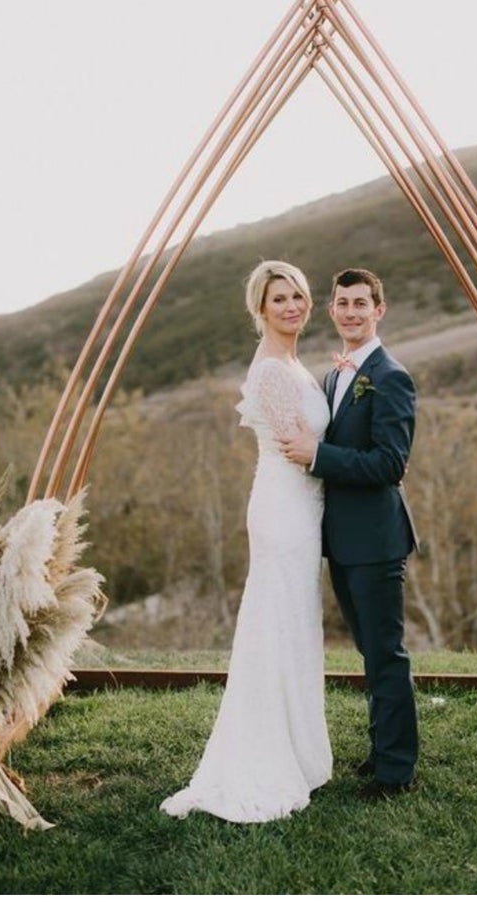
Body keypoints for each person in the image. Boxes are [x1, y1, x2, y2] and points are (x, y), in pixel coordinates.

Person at [161, 260, 332, 822]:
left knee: (295, 624)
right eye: (280, 298)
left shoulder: (294, 363)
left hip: (303, 512)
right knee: (275, 622)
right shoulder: (270, 372)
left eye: (299, 296)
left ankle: (299, 748)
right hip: (284, 510)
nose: (292, 306)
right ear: (260, 308)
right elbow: (297, 448)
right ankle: (264, 758)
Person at [277, 268, 420, 799]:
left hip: (376, 543)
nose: (352, 312)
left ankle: (396, 772)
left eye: (362, 303)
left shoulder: (390, 376)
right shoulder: (338, 374)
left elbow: (389, 464)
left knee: (386, 654)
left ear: (379, 310)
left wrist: (318, 456)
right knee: (369, 651)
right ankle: (383, 752)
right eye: (343, 303)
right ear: (332, 310)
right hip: (342, 541)